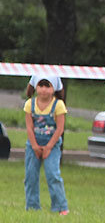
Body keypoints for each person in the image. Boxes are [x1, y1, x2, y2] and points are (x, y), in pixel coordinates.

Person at [23, 75, 68, 215]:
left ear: (54, 88)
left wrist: (48, 147)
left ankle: (60, 207)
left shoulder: (58, 105)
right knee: (30, 175)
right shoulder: (30, 104)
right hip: (33, 144)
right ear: (35, 87)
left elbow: (60, 129)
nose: (43, 89)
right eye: (40, 85)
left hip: (52, 145)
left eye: (47, 86)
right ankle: (32, 206)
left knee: (53, 174)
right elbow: (29, 127)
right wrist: (35, 146)